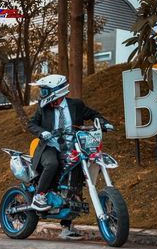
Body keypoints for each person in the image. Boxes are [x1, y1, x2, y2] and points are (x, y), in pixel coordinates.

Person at [27, 74, 113, 239]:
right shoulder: (43, 107)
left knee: (75, 183)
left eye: (45, 90)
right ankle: (39, 196)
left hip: (74, 147)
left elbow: (94, 114)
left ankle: (66, 227)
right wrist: (42, 132)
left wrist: (102, 122)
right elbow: (31, 123)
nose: (42, 94)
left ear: (58, 91)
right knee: (51, 164)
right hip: (50, 147)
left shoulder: (76, 105)